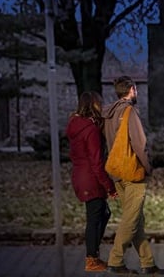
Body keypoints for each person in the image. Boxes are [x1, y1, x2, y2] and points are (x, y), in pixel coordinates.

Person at [102, 76, 164, 275]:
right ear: (131, 90)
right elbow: (140, 144)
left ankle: (148, 263)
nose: (136, 93)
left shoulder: (109, 113)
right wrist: (147, 166)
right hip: (132, 171)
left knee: (136, 219)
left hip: (116, 172)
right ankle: (115, 260)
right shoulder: (129, 111)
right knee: (131, 219)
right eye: (135, 89)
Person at [66, 91, 117, 272]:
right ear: (92, 105)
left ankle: (93, 254)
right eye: (99, 103)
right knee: (95, 218)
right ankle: (91, 259)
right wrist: (109, 187)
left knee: (103, 213)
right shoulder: (90, 130)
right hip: (91, 178)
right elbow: (97, 162)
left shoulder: (76, 125)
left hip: (80, 176)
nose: (101, 106)